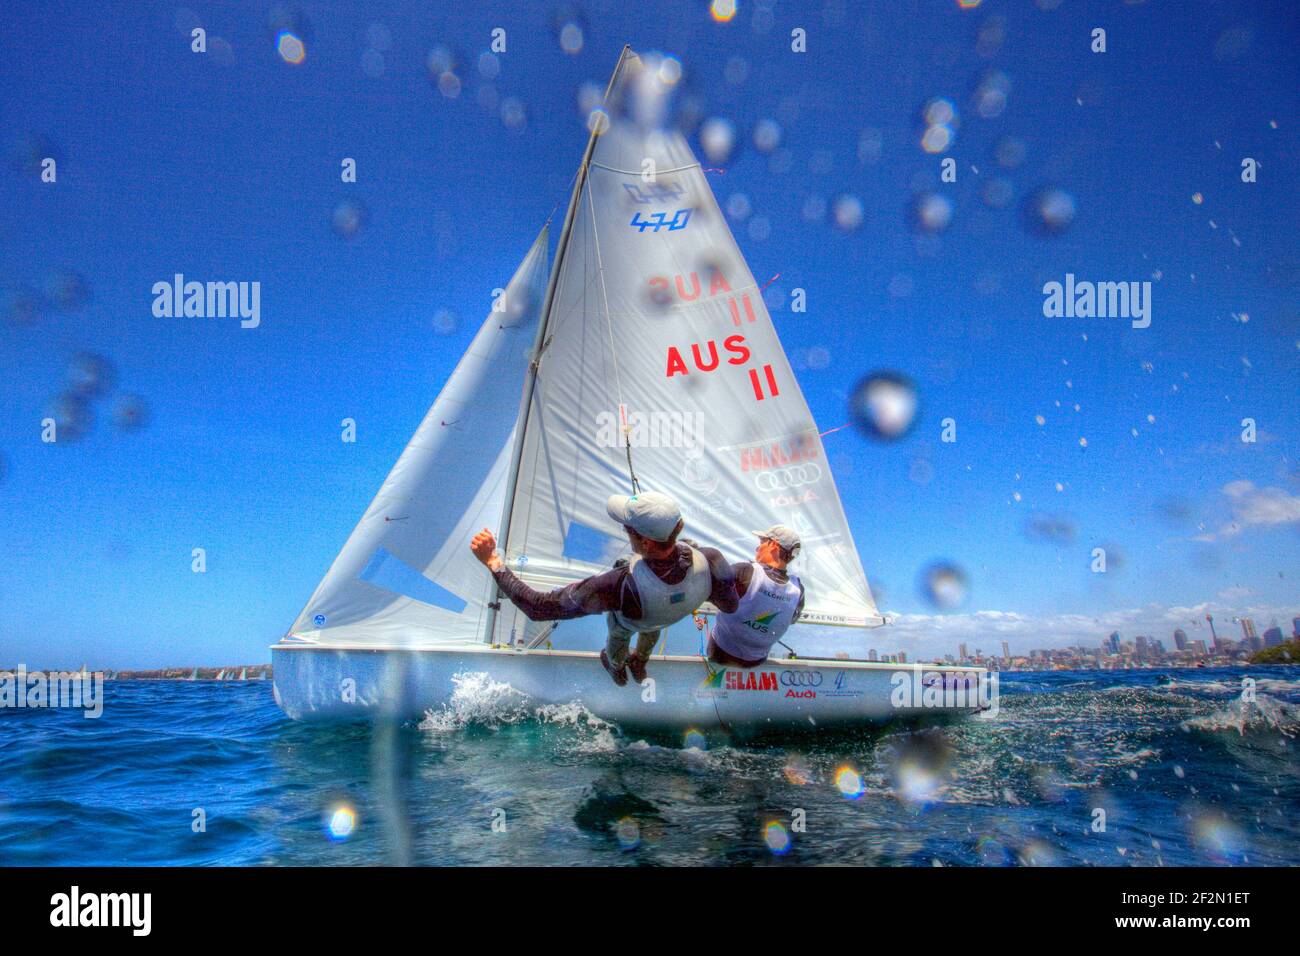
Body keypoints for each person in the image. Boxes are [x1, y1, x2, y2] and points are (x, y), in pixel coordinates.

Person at [470, 491, 738, 686]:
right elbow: (730, 605)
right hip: (665, 616)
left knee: (619, 635)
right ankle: (640, 660)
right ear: (678, 527)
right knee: (654, 626)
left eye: (626, 528)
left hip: (635, 618)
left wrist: (494, 563)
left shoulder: (619, 585)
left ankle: (615, 665)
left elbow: (538, 608)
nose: (625, 531)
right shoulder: (711, 560)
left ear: (644, 543)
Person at [708, 524, 806, 667]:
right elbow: (790, 620)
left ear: (773, 545)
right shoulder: (798, 590)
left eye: (762, 543)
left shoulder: (746, 571)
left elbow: (708, 587)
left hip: (721, 653)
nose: (757, 548)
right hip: (755, 661)